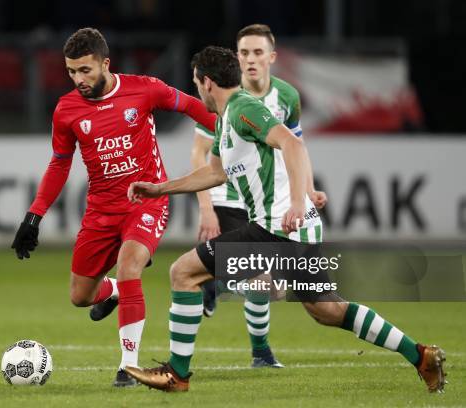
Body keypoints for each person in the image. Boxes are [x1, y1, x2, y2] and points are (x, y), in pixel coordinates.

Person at [124, 46, 446, 393]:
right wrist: (160, 189)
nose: (197, 90)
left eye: (195, 82)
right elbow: (214, 173)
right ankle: (421, 356)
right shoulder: (227, 120)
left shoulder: (244, 109)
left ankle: (177, 373)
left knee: (183, 272)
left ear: (206, 81)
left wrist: (295, 202)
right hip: (293, 228)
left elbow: (293, 145)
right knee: (328, 310)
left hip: (278, 227)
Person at [10, 28, 217, 387]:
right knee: (80, 296)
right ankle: (117, 291)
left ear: (106, 63)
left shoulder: (145, 88)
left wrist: (235, 137)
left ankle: (128, 367)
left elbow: (192, 106)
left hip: (146, 202)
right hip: (100, 211)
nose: (78, 79)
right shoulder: (66, 110)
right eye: (72, 71)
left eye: (85, 70)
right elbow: (59, 164)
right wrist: (34, 215)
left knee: (130, 265)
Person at [192, 24, 328, 369]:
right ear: (236, 59)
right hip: (229, 195)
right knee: (259, 280)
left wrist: (307, 191)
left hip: (267, 200)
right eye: (243, 53)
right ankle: (261, 351)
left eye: (256, 53)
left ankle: (218, 286)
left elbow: (296, 146)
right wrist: (206, 209)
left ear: (271, 57)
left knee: (271, 287)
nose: (250, 60)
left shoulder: (286, 97)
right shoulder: (222, 96)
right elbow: (202, 157)